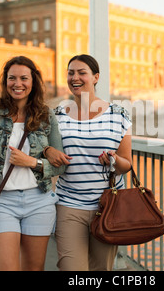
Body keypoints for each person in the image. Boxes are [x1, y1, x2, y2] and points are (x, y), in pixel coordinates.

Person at [0, 56, 67, 271]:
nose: (17, 83)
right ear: (5, 82)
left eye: (23, 78)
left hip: (39, 201)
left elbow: (61, 165)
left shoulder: (46, 116)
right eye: (12, 78)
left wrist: (33, 162)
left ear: (33, 82)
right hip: (1, 203)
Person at [49, 54, 132, 271]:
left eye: (81, 72)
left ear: (95, 77)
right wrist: (49, 151)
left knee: (100, 270)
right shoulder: (57, 116)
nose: (75, 77)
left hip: (106, 208)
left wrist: (114, 161)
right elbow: (45, 154)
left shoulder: (118, 114)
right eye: (70, 73)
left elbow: (127, 164)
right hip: (68, 205)